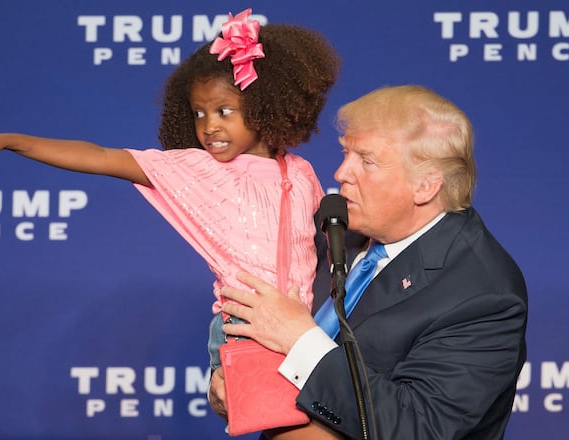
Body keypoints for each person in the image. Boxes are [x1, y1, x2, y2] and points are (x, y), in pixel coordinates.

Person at [0, 8, 341, 373]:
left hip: (302, 326)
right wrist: (13, 140)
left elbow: (330, 249)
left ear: (264, 104)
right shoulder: (199, 170)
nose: (209, 127)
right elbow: (100, 156)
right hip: (245, 329)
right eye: (198, 113)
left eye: (224, 111)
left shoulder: (299, 171)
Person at [209, 85, 528, 439]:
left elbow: (416, 427)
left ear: (425, 186)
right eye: (345, 153)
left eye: (366, 160)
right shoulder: (330, 229)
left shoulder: (482, 293)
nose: (342, 172)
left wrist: (300, 339)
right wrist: (234, 386)